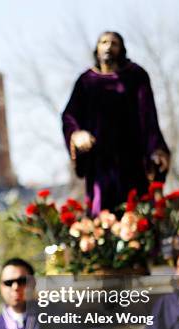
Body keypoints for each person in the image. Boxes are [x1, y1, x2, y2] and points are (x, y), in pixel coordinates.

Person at [61, 31, 170, 215]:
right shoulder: (86, 81)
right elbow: (69, 115)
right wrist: (76, 134)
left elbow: (148, 116)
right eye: (104, 42)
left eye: (114, 43)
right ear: (96, 49)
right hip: (100, 165)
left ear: (122, 49)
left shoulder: (135, 75)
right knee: (102, 218)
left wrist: (156, 148)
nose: (109, 47)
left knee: (137, 215)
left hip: (132, 161)